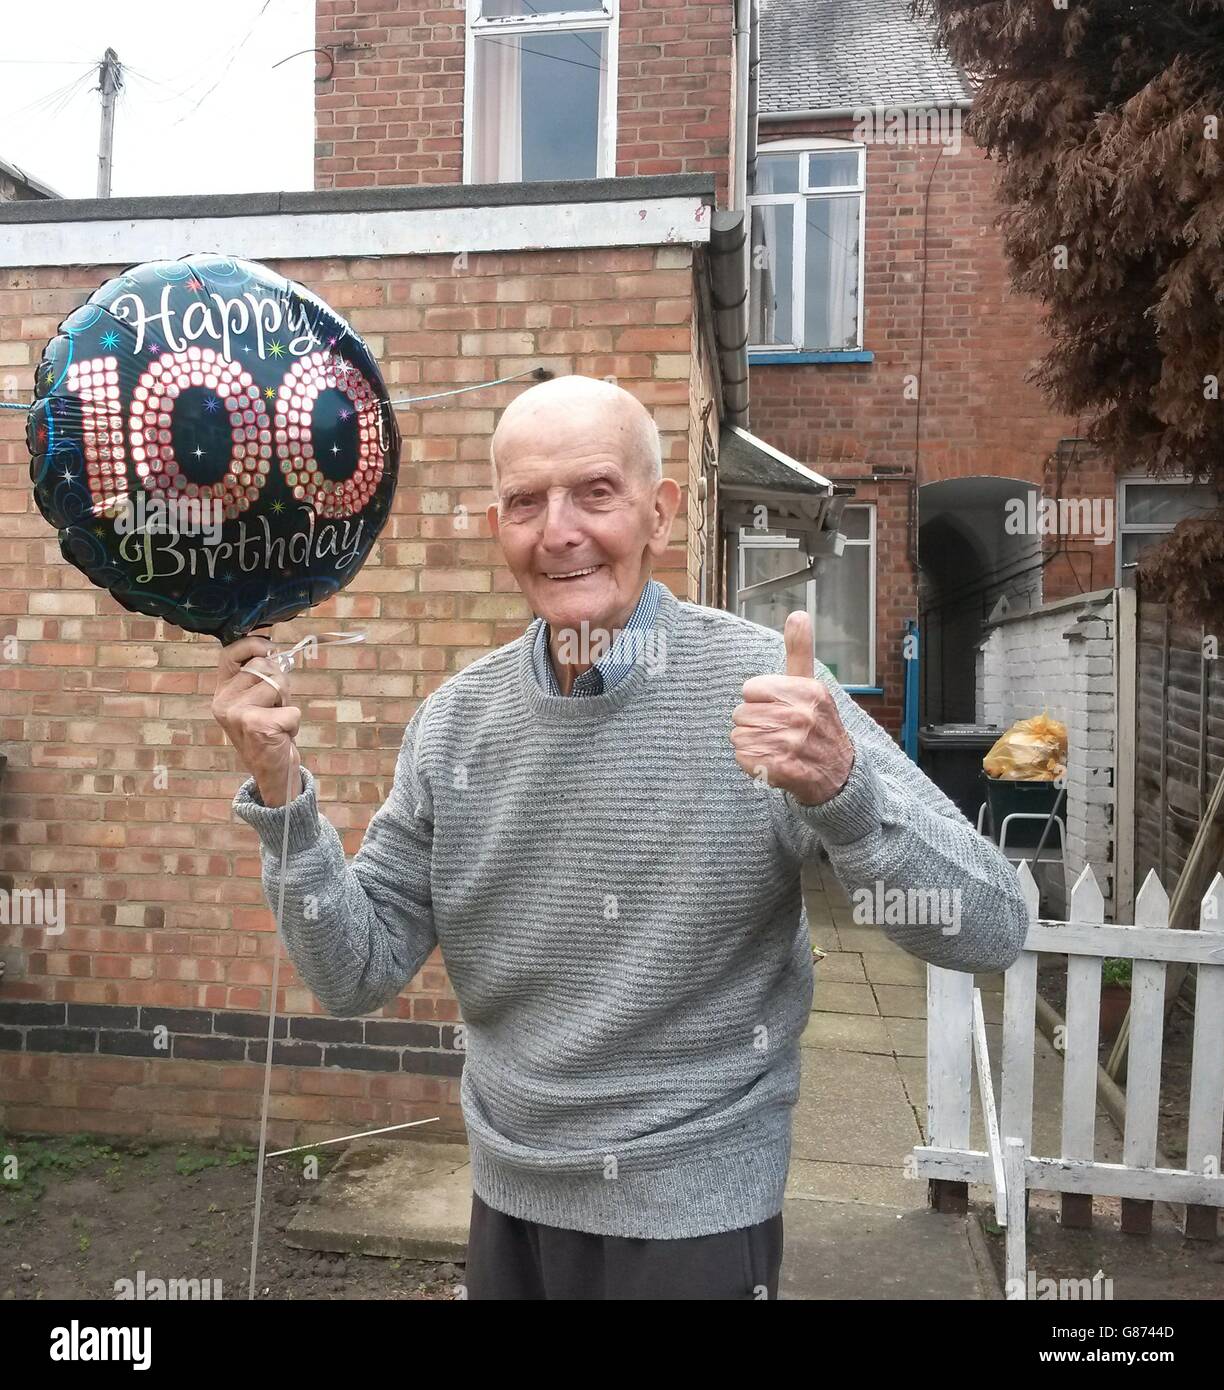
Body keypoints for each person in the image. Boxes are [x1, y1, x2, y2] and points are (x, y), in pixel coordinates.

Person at [213, 374, 1028, 1300]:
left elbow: (994, 924)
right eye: (526, 501)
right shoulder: (453, 726)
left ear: (659, 514)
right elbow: (353, 972)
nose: (558, 530)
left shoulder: (770, 693)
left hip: (695, 1216)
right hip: (510, 1202)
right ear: (498, 528)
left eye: (595, 492)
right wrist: (284, 804)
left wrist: (843, 790)